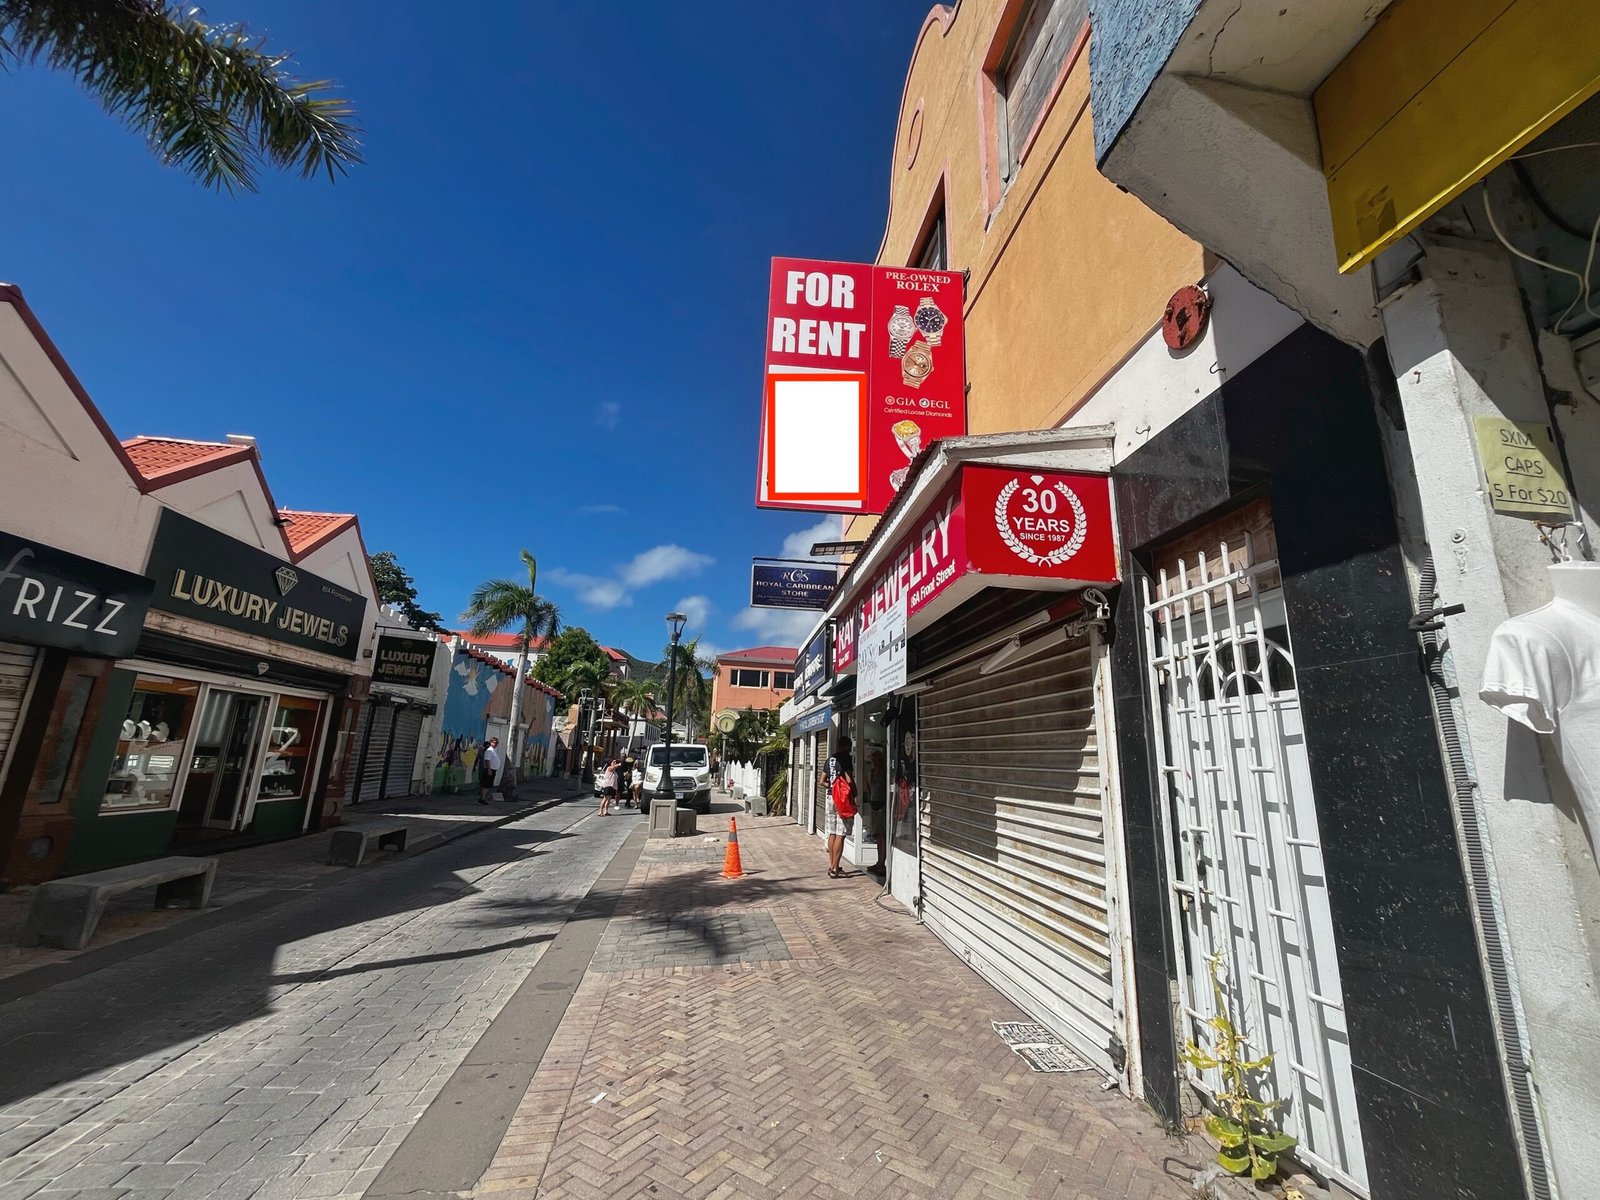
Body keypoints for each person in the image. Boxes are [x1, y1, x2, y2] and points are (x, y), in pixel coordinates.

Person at [824, 735, 855, 879]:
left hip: (830, 797)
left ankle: (832, 865)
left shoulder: (830, 759)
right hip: (842, 800)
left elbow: (822, 781)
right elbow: (849, 779)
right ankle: (835, 868)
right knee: (840, 834)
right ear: (848, 746)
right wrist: (854, 792)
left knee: (832, 833)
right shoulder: (846, 758)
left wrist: (832, 787)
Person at [477, 737, 502, 805]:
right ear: (491, 742)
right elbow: (487, 760)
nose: (496, 744)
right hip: (489, 770)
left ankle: (483, 798)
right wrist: (489, 769)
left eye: (497, 743)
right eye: (494, 742)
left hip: (492, 770)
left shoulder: (493, 751)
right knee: (486, 784)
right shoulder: (489, 751)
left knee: (488, 785)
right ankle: (482, 799)